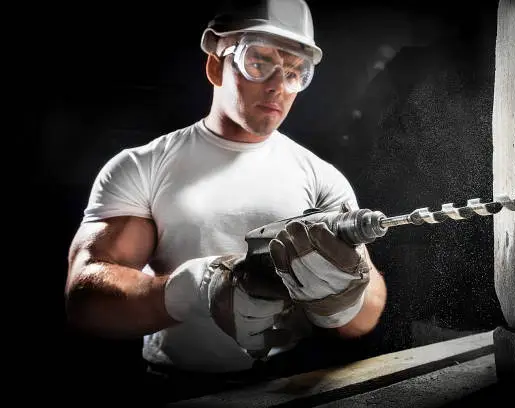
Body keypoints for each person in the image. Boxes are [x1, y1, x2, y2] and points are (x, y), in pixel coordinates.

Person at [64, 0, 387, 403]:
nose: (277, 85)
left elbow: (366, 312)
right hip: (176, 389)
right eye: (259, 61)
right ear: (217, 64)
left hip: (291, 384)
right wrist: (196, 289)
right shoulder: (141, 167)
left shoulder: (320, 177)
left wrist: (342, 297)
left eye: (294, 73)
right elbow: (84, 299)